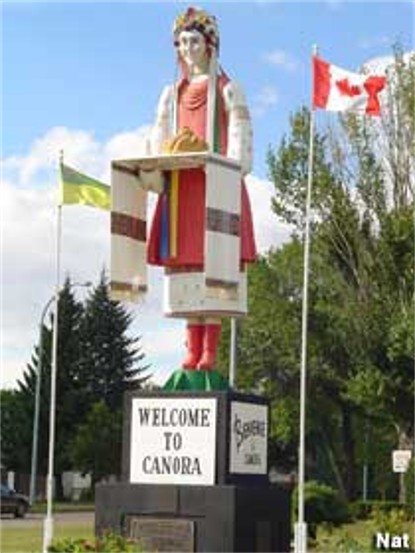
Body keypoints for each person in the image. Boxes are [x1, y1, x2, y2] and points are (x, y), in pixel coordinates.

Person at [146, 7, 256, 371]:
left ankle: (210, 348)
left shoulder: (228, 90)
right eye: (182, 42)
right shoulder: (170, 94)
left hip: (215, 187)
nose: (187, 48)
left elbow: (240, 137)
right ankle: (191, 348)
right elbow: (158, 140)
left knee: (216, 263)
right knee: (186, 265)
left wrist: (231, 170)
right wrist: (154, 168)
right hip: (181, 189)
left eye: (194, 41)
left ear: (209, 45)